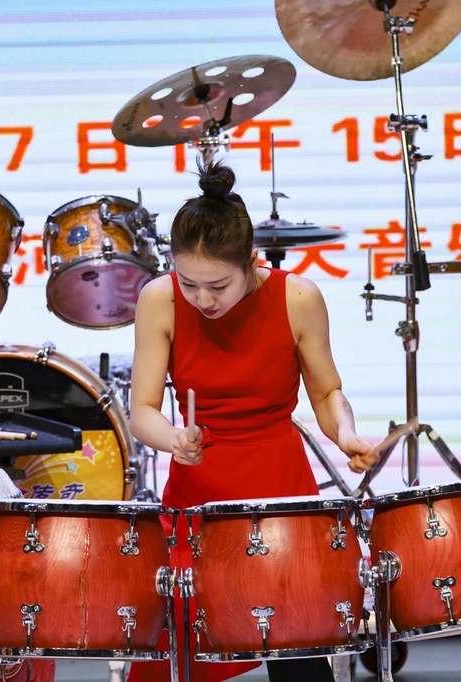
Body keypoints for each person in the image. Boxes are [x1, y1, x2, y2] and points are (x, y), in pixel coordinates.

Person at [126, 160, 377, 682]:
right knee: (177, 653)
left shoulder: (298, 297)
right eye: (189, 284)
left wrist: (345, 433)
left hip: (281, 490)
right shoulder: (159, 299)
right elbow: (142, 411)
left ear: (252, 263)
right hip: (200, 491)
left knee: (297, 648)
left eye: (218, 285)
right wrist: (173, 438)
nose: (203, 300)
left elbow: (326, 391)